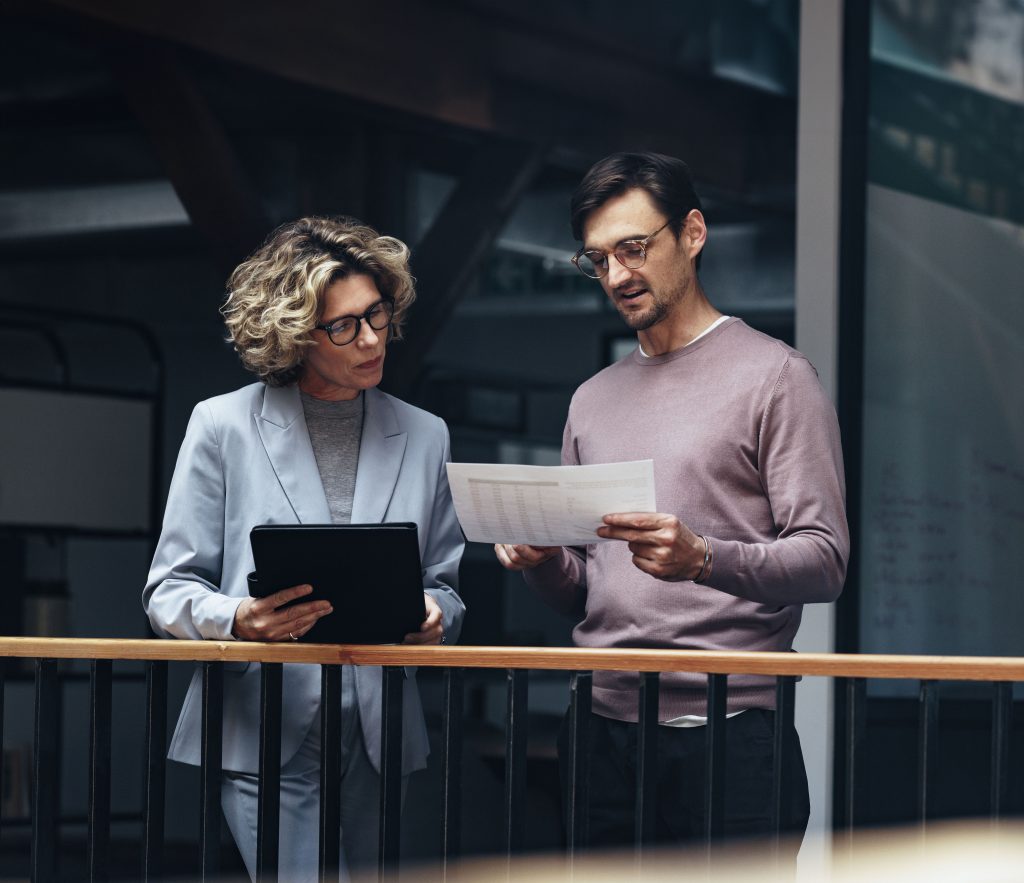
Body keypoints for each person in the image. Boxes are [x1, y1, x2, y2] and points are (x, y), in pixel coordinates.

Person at [495, 152, 849, 849]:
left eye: (633, 248)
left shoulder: (778, 377)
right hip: (599, 731)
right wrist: (540, 559)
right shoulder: (591, 400)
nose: (618, 275)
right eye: (598, 260)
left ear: (692, 232)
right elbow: (586, 591)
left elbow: (825, 561)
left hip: (731, 732)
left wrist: (704, 558)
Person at [143, 216, 465, 881]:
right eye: (344, 325)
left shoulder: (427, 435)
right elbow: (167, 590)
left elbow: (446, 586)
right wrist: (238, 618)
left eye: (376, 313)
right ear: (294, 334)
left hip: (380, 732)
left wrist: (437, 615)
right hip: (263, 722)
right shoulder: (222, 426)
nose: (372, 338)